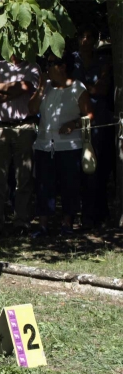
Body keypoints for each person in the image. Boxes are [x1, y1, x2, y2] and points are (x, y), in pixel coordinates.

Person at [28, 52, 94, 237]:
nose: (47, 68)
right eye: (46, 64)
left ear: (63, 66)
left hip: (69, 146)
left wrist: (73, 124)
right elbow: (32, 109)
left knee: (69, 186)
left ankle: (67, 224)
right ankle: (43, 225)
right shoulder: (45, 87)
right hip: (44, 145)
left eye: (50, 64)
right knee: (43, 185)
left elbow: (89, 116)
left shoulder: (77, 88)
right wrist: (41, 86)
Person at [0, 55, 40, 236]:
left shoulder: (32, 67)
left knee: (23, 178)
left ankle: (21, 222)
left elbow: (26, 87)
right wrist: (15, 89)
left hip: (24, 126)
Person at [71, 25, 116, 229]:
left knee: (99, 168)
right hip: (75, 120)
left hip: (100, 120)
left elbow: (102, 89)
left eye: (90, 36)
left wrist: (81, 88)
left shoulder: (103, 61)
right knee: (78, 170)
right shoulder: (72, 60)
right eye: (83, 36)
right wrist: (87, 89)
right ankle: (80, 215)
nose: (86, 40)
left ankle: (98, 214)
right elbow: (67, 86)